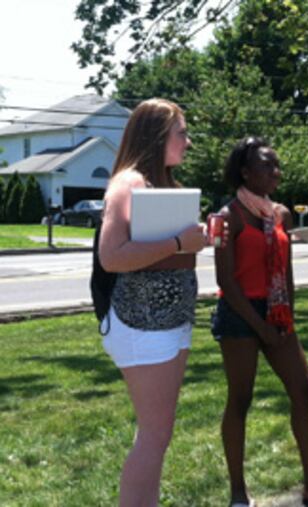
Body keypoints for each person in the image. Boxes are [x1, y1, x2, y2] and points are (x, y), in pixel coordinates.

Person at [211, 137, 308, 507]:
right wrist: (259, 325)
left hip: (277, 313)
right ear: (245, 172)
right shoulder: (223, 217)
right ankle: (237, 494)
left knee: (305, 391)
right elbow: (225, 280)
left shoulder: (281, 215)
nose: (276, 172)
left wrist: (285, 317)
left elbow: (286, 270)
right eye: (267, 165)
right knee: (241, 399)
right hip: (238, 315)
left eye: (277, 165)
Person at [98, 98, 208, 506]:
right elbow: (112, 256)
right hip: (143, 325)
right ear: (158, 134)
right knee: (154, 433)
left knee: (158, 433)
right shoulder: (129, 183)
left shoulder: (160, 185)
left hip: (170, 322)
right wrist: (180, 240)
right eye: (182, 132)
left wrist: (196, 240)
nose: (188, 142)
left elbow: (163, 255)